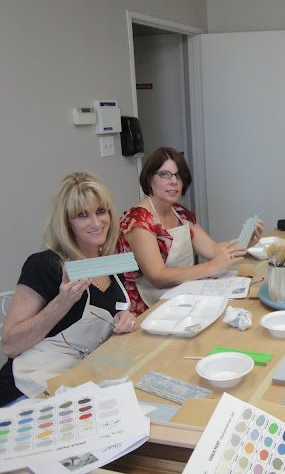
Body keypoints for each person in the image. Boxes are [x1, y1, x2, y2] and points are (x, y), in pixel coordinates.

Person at [0, 173, 137, 406]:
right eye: (82, 215)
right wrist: (62, 302)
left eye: (101, 211)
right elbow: (9, 345)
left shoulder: (111, 266)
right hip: (27, 388)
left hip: (78, 381)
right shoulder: (45, 265)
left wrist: (126, 319)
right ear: (66, 223)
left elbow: (111, 319)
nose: (96, 223)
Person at [117, 147, 264, 315]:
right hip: (149, 306)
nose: (174, 181)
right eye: (165, 174)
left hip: (181, 294)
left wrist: (245, 242)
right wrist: (211, 267)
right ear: (149, 179)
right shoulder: (139, 220)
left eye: (178, 175)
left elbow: (212, 249)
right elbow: (158, 277)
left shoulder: (180, 214)